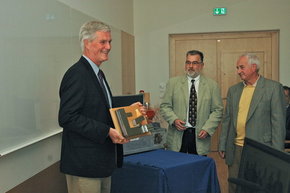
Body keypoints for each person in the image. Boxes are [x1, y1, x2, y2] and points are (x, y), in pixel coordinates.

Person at [58, 21, 143, 193]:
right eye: (103, 42)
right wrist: (107, 131)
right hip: (85, 165)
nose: (108, 47)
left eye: (110, 42)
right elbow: (67, 117)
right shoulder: (77, 74)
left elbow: (99, 107)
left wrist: (129, 108)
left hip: (101, 162)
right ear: (87, 43)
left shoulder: (97, 73)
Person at [218, 53, 286, 193]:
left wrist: (276, 154)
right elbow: (227, 120)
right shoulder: (233, 90)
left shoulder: (273, 88)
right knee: (235, 185)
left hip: (261, 149)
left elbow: (278, 124)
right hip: (236, 149)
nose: (238, 71)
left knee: (259, 187)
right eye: (237, 68)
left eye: (241, 67)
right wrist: (223, 143)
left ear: (254, 67)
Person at [160, 50, 223, 155]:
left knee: (197, 168)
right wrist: (174, 119)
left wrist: (208, 128)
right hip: (178, 134)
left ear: (202, 65)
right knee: (177, 167)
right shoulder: (173, 83)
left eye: (194, 63)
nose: (190, 66)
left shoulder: (212, 86)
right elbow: (165, 106)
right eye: (188, 62)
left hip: (200, 135)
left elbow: (217, 110)